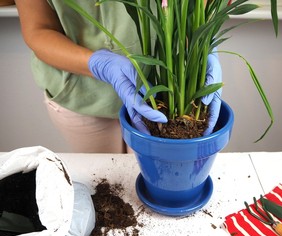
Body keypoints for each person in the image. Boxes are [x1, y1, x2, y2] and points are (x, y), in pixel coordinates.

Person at [14, 0, 222, 153]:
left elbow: (198, 7)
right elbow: (38, 28)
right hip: (81, 92)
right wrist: (100, 65)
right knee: (105, 184)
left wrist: (202, 48)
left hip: (166, 88)